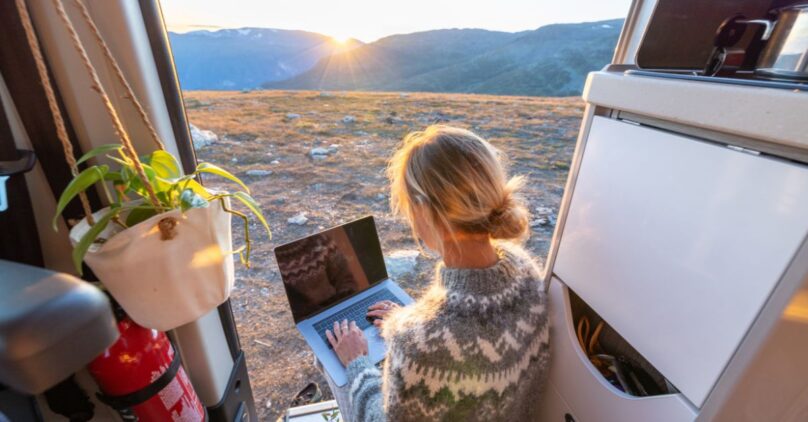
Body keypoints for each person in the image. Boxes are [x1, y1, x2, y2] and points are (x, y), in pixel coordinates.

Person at [324, 125, 550, 421]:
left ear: (423, 210)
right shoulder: (526, 271)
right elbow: (476, 326)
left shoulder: (418, 343)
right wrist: (410, 319)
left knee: (328, 361)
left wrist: (357, 364)